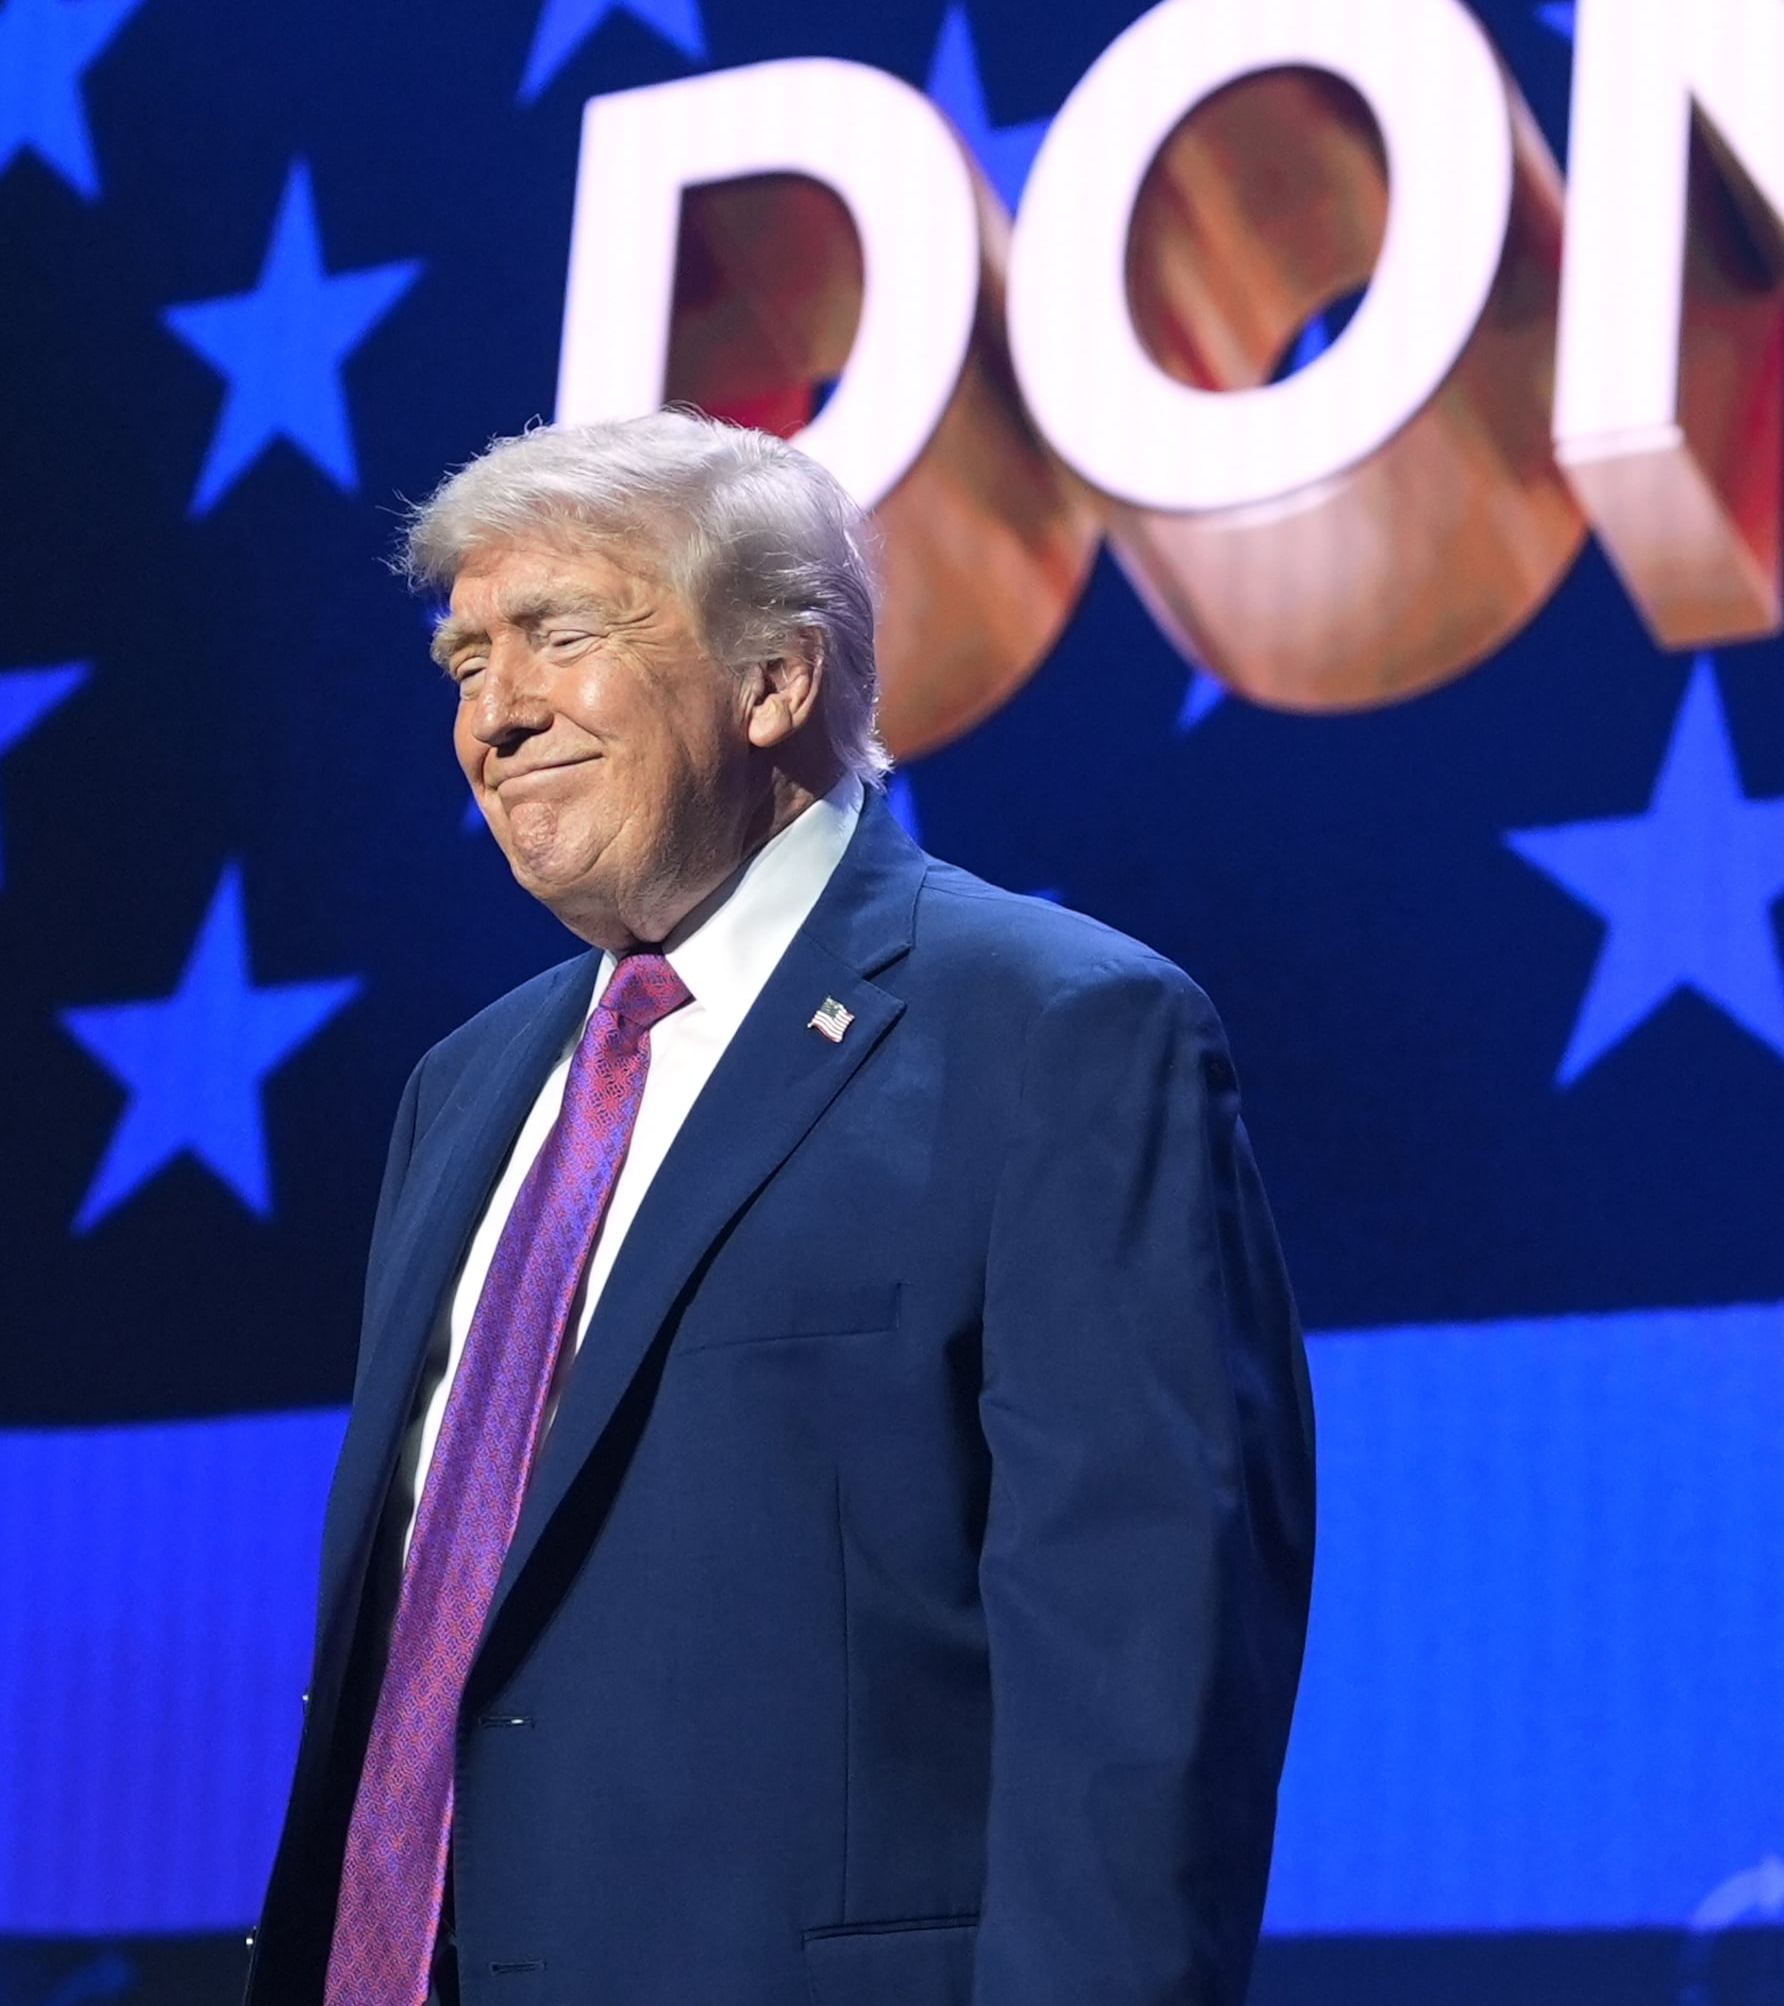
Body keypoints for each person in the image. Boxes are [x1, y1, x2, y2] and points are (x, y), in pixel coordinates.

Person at [243, 410, 1313, 2006]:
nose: (496, 717)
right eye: (465, 663)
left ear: (777, 680)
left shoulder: (1053, 1032)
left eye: (558, 637)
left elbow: (1141, 1680)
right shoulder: (462, 1090)